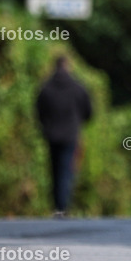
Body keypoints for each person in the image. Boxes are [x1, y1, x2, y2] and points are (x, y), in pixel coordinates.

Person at [36, 56, 92, 217]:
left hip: (52, 134)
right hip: (70, 135)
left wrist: (45, 126)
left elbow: (39, 111)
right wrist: (79, 122)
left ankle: (57, 206)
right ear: (68, 66)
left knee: (54, 170)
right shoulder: (78, 87)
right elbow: (88, 111)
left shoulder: (46, 87)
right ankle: (62, 206)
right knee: (66, 170)